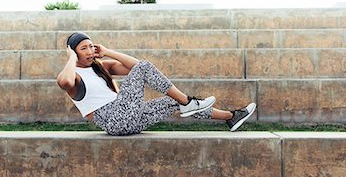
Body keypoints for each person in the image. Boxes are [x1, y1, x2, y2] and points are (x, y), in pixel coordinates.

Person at [57, 32, 256, 136]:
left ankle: (231, 117)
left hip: (130, 119)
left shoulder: (100, 67)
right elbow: (63, 82)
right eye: (84, 48)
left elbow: (135, 66)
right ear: (74, 52)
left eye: (92, 46)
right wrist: (72, 58)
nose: (90, 51)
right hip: (114, 120)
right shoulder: (74, 76)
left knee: (171, 102)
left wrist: (107, 51)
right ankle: (188, 101)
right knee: (149, 72)